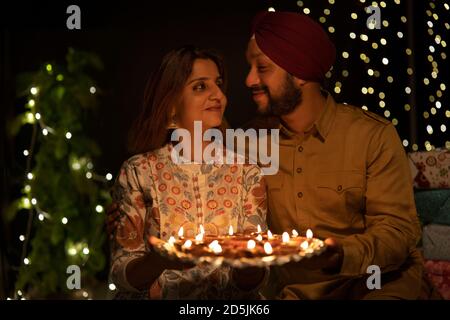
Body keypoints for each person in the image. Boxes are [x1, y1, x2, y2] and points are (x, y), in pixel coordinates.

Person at [245, 11, 425, 299]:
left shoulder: (372, 136)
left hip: (375, 285)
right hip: (296, 291)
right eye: (250, 67)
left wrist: (343, 255)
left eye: (262, 68)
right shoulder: (250, 146)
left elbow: (399, 230)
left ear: (300, 74)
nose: (249, 79)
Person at [107, 46, 268, 299]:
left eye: (218, 84)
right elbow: (121, 272)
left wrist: (249, 265)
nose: (219, 95)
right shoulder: (139, 171)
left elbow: (254, 280)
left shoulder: (247, 172)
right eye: (200, 87)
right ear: (171, 104)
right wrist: (158, 262)